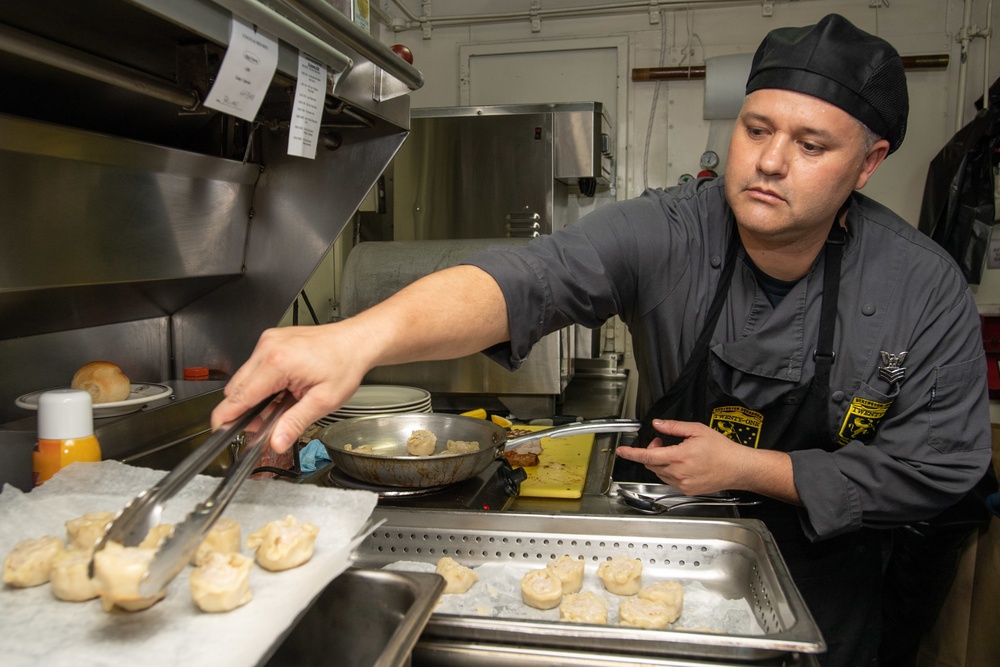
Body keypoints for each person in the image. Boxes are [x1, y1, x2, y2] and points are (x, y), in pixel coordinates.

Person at [213, 14, 992, 667]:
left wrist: (755, 467)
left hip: (833, 578)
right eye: (757, 128)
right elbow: (527, 279)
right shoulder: (671, 229)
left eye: (812, 145)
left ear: (869, 163)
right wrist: (357, 338)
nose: (772, 160)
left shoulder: (920, 289)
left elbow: (944, 467)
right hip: (674, 552)